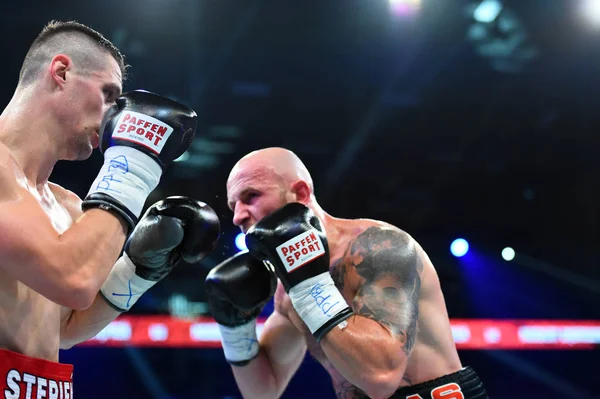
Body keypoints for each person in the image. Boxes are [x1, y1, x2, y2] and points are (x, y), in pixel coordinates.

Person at [0, 20, 221, 398]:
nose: (110, 117)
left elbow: (66, 328)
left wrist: (138, 269)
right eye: (108, 94)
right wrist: (132, 169)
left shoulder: (68, 206)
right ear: (62, 72)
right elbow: (72, 280)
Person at [205, 147, 488, 399]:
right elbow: (262, 391)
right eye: (233, 206)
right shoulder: (287, 291)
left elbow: (381, 378)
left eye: (251, 196)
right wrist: (235, 329)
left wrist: (307, 285)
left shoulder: (380, 248)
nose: (238, 216)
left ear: (300, 194)